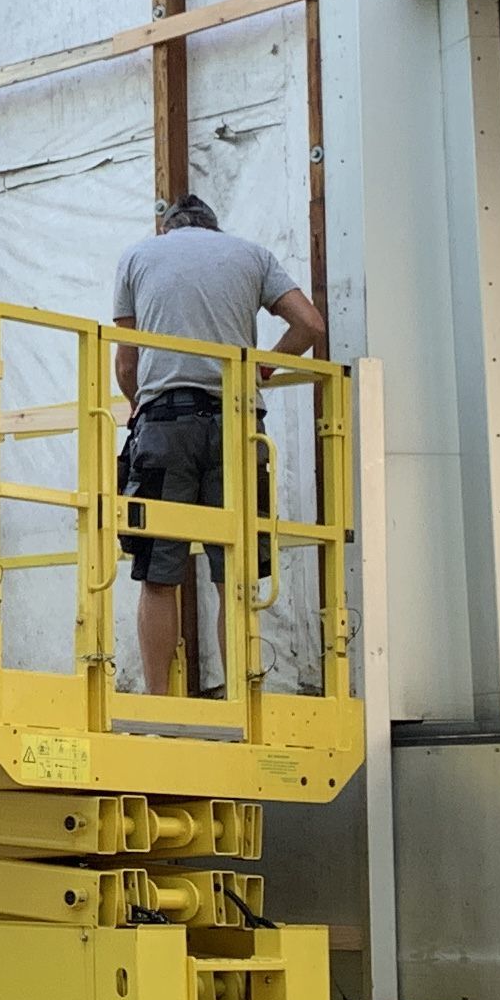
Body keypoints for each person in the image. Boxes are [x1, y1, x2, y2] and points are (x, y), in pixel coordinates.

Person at [110, 193, 323, 697]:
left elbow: (126, 362)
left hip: (167, 424)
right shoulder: (251, 255)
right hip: (237, 422)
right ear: (214, 228)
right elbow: (310, 325)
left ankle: (159, 705)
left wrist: (137, 406)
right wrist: (262, 366)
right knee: (236, 575)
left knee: (158, 575)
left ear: (169, 229)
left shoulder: (139, 257)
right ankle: (239, 703)